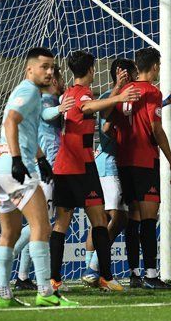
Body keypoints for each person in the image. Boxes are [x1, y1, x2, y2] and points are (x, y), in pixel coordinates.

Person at [0, 47, 75, 308]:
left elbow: (26, 129)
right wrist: (18, 159)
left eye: (52, 67)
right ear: (30, 69)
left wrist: (41, 158)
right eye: (44, 67)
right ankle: (45, 291)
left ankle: (4, 295)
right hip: (16, 168)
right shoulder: (28, 91)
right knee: (41, 227)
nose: (49, 72)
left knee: (10, 232)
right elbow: (11, 122)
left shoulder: (25, 92)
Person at [50, 51, 140, 293]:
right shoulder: (83, 94)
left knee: (62, 224)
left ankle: (54, 280)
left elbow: (96, 109)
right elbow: (89, 107)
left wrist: (116, 91)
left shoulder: (69, 91)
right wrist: (120, 96)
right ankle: (105, 277)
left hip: (64, 167)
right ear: (90, 69)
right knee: (100, 221)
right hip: (81, 167)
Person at [114, 47, 171, 290]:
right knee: (148, 218)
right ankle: (151, 274)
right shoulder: (152, 92)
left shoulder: (123, 91)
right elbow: (156, 129)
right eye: (159, 66)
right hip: (144, 161)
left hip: (124, 161)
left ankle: (134, 273)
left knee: (134, 217)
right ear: (154, 67)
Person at [13, 65, 71, 291]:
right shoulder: (47, 100)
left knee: (39, 225)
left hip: (47, 167)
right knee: (41, 224)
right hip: (47, 168)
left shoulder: (47, 100)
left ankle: (23, 276)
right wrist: (60, 109)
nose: (62, 81)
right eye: (60, 78)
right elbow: (47, 114)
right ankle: (2, 259)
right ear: (54, 81)